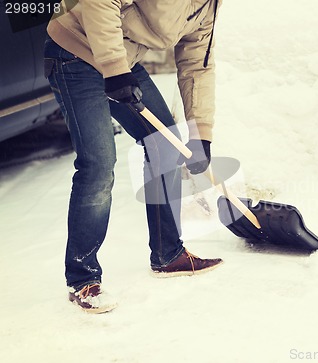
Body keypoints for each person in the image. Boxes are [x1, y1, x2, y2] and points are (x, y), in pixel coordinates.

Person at [44, 0, 223, 314]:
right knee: (99, 163)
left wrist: (201, 135)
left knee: (165, 144)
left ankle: (168, 253)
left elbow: (197, 65)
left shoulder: (208, 8)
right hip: (75, 51)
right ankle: (82, 278)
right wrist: (114, 69)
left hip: (122, 60)